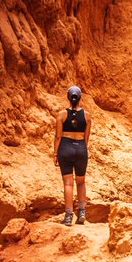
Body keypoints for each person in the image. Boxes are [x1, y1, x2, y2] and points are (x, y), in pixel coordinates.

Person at [53, 84, 91, 226]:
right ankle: (82, 212)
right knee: (81, 181)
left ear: (68, 98)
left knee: (68, 183)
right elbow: (86, 138)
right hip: (81, 148)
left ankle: (69, 216)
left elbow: (58, 136)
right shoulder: (87, 116)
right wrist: (81, 150)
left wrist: (56, 153)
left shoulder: (61, 115)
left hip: (65, 148)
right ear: (80, 98)